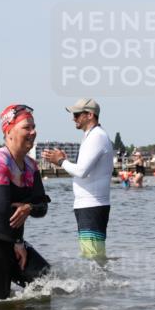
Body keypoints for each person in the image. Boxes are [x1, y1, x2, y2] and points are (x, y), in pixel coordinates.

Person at [0, 104, 51, 300]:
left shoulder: (31, 166)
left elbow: (42, 207)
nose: (33, 132)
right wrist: (17, 242)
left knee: (47, 281)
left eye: (34, 127)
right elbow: (1, 211)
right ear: (9, 132)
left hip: (14, 242)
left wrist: (29, 208)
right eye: (27, 128)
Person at [42, 98, 112, 263]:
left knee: (93, 257)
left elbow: (81, 172)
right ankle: (101, 287)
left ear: (90, 115)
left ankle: (101, 287)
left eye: (77, 114)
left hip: (92, 205)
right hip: (88, 205)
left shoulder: (97, 136)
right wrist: (66, 163)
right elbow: (83, 171)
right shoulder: (91, 136)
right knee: (91, 256)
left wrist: (61, 162)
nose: (73, 118)